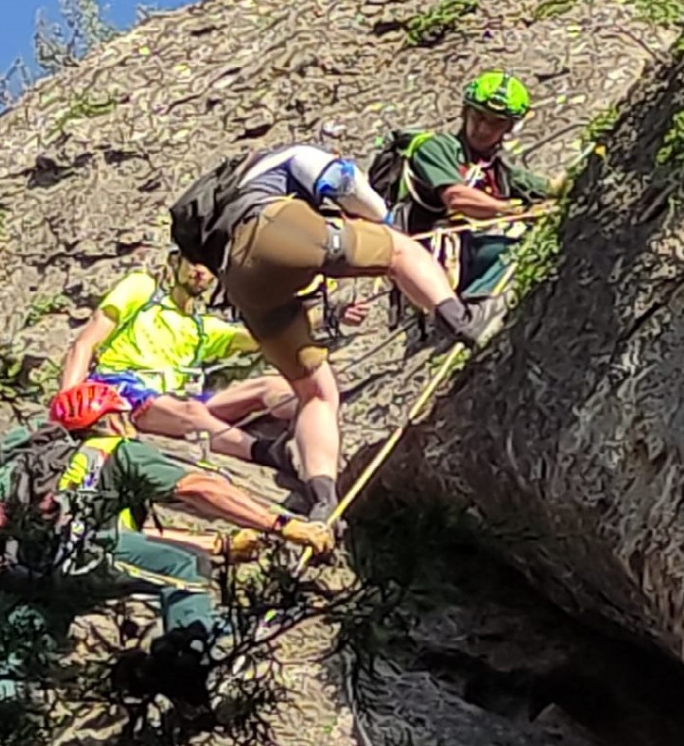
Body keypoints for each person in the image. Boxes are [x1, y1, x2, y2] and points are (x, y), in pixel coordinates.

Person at [168, 143, 506, 524]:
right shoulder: (289, 156)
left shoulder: (225, 211)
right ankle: (462, 319)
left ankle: (322, 498)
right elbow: (349, 188)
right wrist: (383, 223)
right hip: (278, 229)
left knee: (315, 393)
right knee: (400, 251)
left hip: (242, 283)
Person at [0, 380, 333, 711]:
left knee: (17, 654)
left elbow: (124, 538)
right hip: (87, 562)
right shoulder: (113, 451)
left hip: (27, 576)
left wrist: (222, 545)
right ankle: (186, 664)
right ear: (113, 419)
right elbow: (201, 489)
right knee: (185, 565)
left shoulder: (26, 470)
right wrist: (284, 526)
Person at [59, 247, 363, 472]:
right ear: (174, 262)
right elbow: (85, 343)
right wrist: (67, 404)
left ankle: (309, 428)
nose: (200, 271)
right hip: (119, 390)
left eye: (208, 267)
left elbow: (260, 336)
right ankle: (267, 453)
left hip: (171, 398)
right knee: (189, 409)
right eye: (194, 261)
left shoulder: (203, 328)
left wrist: (329, 315)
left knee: (270, 387)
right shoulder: (141, 289)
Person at [391, 71, 566, 298]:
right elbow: (456, 198)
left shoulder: (497, 171)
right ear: (465, 112)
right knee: (518, 248)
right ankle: (473, 309)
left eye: (496, 123)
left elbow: (552, 188)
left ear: (508, 129)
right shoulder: (435, 148)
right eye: (479, 117)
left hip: (464, 255)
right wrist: (514, 210)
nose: (483, 129)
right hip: (429, 256)